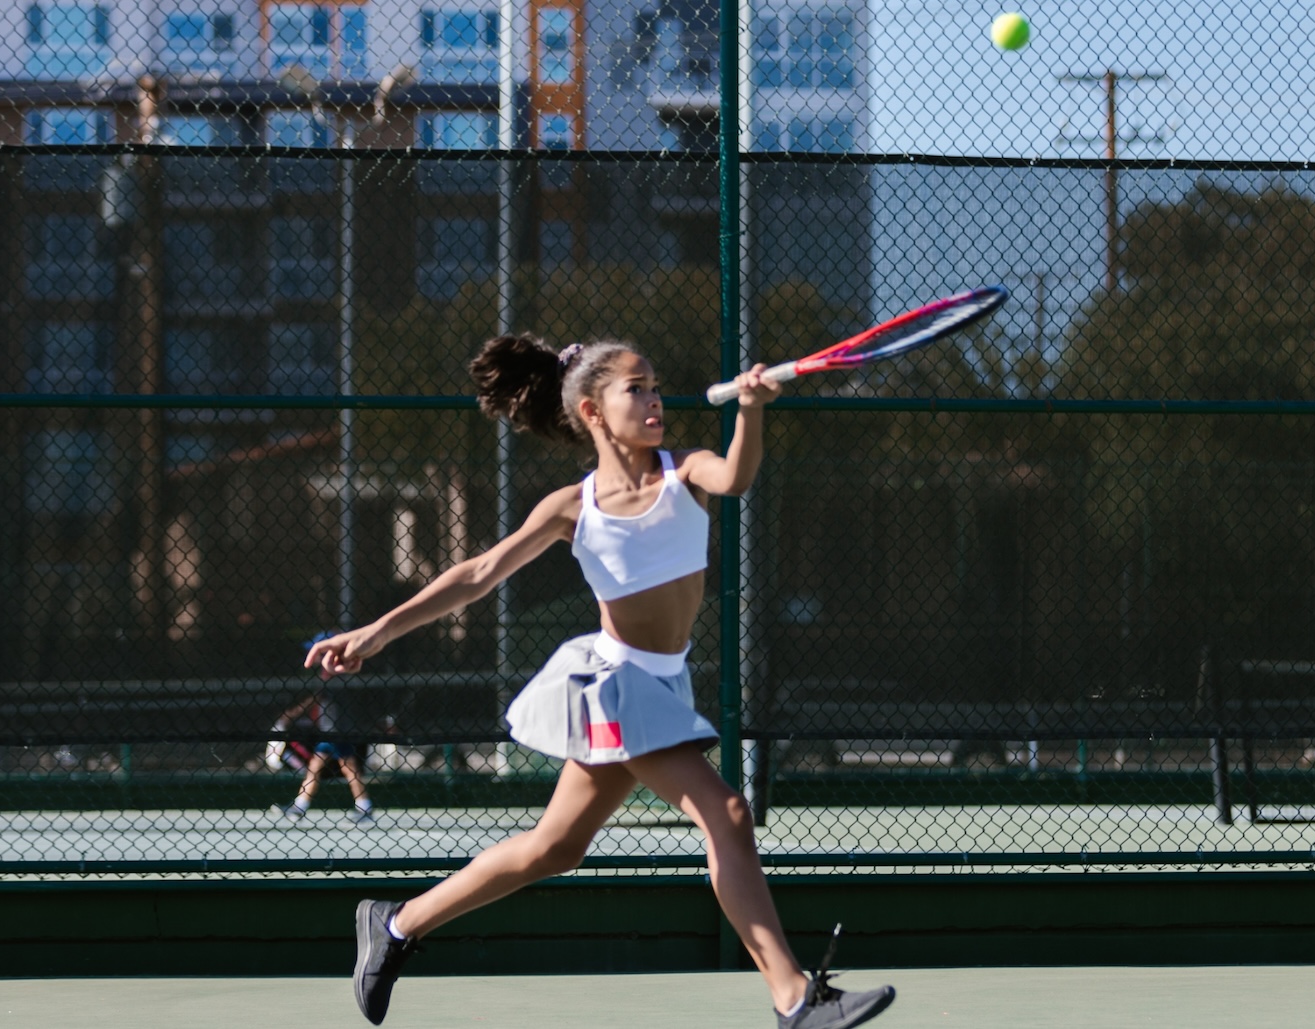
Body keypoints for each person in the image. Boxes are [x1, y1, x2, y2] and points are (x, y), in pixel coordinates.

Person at [304, 335, 896, 1028]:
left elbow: (736, 476)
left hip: (663, 687)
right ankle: (794, 996)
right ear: (592, 409)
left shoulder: (683, 470)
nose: (654, 400)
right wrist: (374, 632)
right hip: (614, 684)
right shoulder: (571, 507)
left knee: (556, 847)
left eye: (656, 385)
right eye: (636, 388)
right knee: (727, 813)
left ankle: (396, 924)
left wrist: (754, 410)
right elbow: (475, 574)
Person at [268, 683, 374, 826]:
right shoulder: (328, 683)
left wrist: (293, 713)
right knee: (314, 770)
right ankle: (299, 808)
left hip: (336, 734)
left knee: (350, 771)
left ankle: (365, 808)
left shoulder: (334, 682)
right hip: (327, 734)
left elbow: (313, 700)